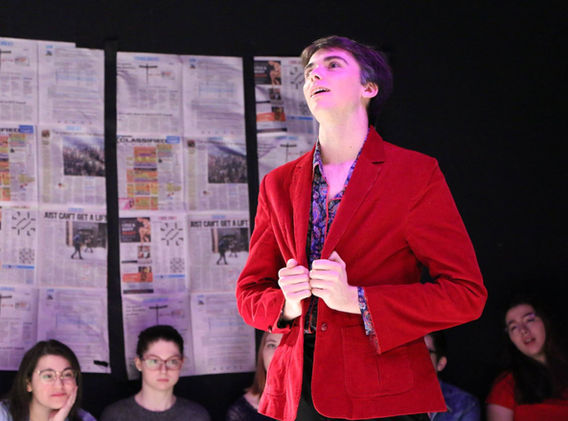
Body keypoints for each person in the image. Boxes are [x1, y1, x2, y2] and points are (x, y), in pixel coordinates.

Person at [235, 35, 486, 421]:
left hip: (383, 391)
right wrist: (287, 304)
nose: (315, 75)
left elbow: (466, 294)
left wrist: (358, 300)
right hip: (298, 392)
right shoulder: (278, 183)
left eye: (333, 65)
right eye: (309, 71)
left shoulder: (415, 174)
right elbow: (249, 293)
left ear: (369, 87)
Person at [100, 325, 209, 421]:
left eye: (172, 361)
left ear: (181, 363)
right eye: (154, 361)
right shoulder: (115, 416)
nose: (163, 370)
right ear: (139, 364)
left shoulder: (196, 416)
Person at [486, 296, 568, 421]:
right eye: (514, 327)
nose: (523, 330)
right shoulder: (506, 386)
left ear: (545, 321)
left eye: (529, 320)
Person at [0, 339, 96, 421]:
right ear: (28, 384)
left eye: (67, 374)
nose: (59, 385)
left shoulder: (84, 418)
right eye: (48, 376)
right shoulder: (3, 414)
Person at [226, 332, 283, 421]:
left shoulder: (305, 405)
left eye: (288, 346)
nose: (277, 354)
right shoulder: (241, 412)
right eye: (272, 345)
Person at [424, 332, 480, 420]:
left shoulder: (464, 404)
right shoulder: (399, 401)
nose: (415, 357)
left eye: (424, 352)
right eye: (410, 352)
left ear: (441, 363)